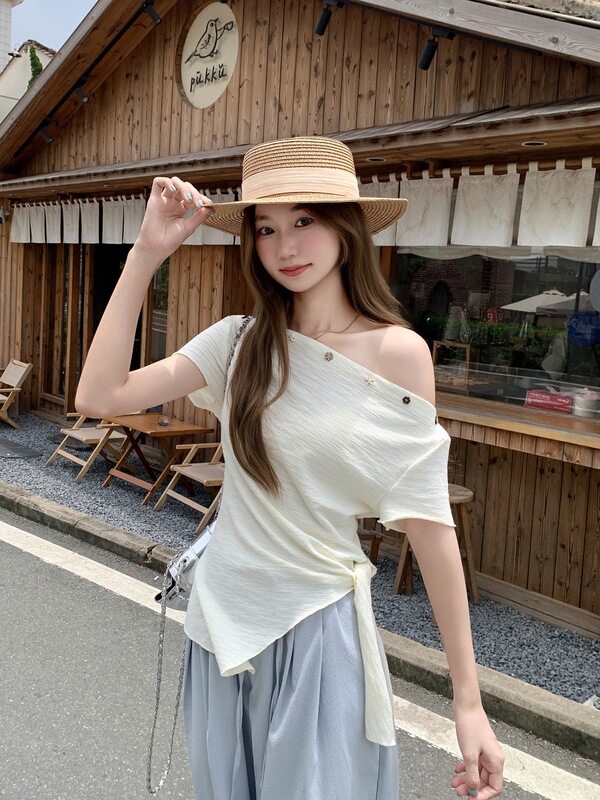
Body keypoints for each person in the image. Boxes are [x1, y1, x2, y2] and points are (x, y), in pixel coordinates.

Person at [76, 136, 504, 800]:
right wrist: (146, 256)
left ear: (346, 226)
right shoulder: (238, 342)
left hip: (316, 632)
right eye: (267, 228)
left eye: (304, 220)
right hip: (220, 625)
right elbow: (99, 396)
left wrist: (468, 702)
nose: (285, 247)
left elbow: (429, 525)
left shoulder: (397, 354)